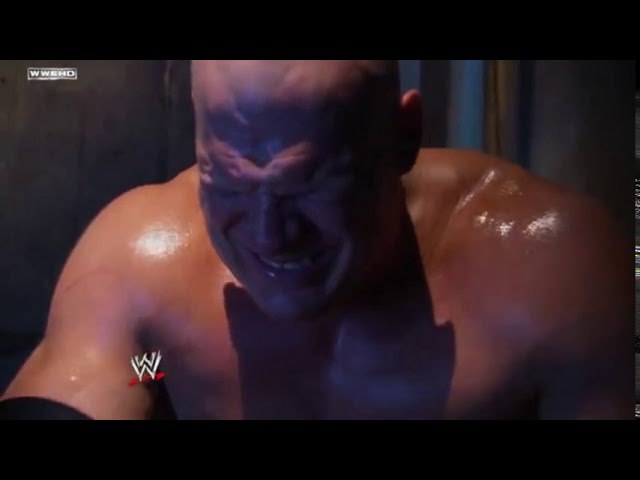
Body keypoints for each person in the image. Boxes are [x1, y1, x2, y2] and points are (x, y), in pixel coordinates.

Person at [0, 60, 632, 419]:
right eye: (228, 184)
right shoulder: (143, 263)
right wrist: (152, 372)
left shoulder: (549, 271)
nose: (269, 235)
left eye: (309, 185)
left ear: (403, 137)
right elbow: (132, 375)